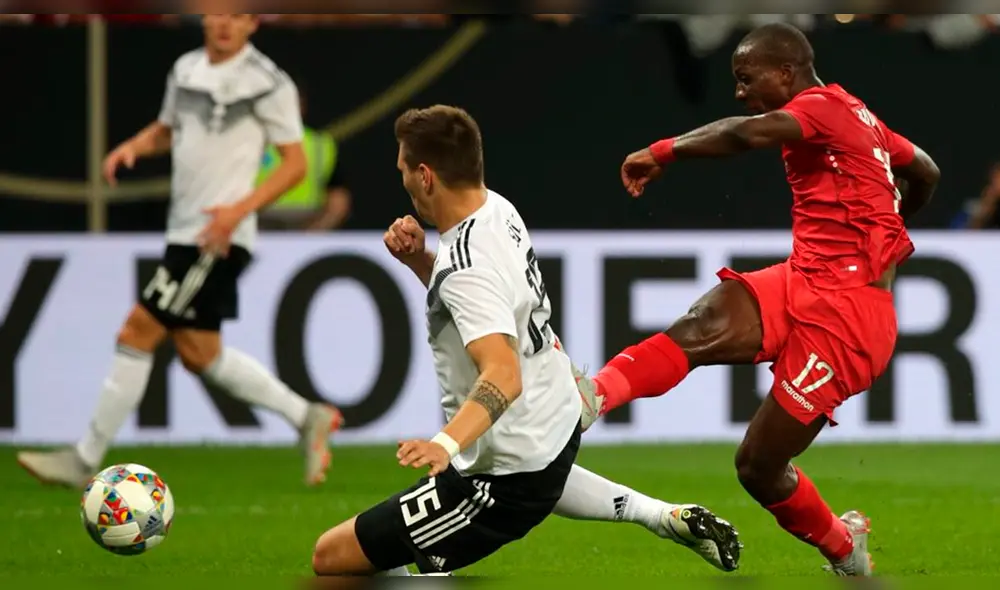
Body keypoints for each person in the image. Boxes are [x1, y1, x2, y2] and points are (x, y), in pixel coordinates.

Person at [310, 105, 741, 577]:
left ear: (426, 176)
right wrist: (419, 262)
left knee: (335, 562)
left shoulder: (464, 268)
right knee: (535, 478)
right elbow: (484, 302)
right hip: (555, 417)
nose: (404, 182)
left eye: (404, 172)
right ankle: (659, 516)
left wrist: (444, 445)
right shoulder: (497, 209)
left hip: (502, 475)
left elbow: (502, 373)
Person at [574, 23, 940, 577]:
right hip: (803, 279)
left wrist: (662, 152)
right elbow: (925, 171)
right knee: (703, 321)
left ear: (785, 73)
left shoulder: (819, 106)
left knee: (758, 467)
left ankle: (844, 547)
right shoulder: (858, 114)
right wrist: (888, 223)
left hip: (848, 321)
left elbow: (746, 134)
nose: (740, 93)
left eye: (747, 79)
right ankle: (592, 398)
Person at [16, 14, 342, 489]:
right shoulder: (185, 69)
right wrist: (135, 146)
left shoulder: (269, 83)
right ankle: (307, 415)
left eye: (238, 15)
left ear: (253, 23)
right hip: (185, 231)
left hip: (217, 236)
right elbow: (170, 129)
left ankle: (84, 457)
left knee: (138, 328)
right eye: (218, 13)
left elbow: (294, 165)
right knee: (200, 354)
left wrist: (238, 211)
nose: (226, 24)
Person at [257, 80, 352, 232]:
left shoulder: (320, 145)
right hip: (258, 227)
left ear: (302, 105)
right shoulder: (248, 143)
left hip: (305, 225)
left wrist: (313, 234)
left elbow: (338, 199)